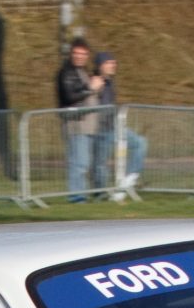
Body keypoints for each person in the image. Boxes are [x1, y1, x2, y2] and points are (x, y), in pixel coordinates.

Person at [88, 50, 146, 199]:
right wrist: (92, 90)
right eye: (109, 63)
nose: (113, 65)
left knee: (140, 143)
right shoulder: (94, 81)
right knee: (100, 165)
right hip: (99, 130)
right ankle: (100, 195)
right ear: (100, 65)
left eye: (114, 62)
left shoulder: (110, 83)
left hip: (114, 127)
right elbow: (88, 102)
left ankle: (128, 180)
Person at [56, 40, 101, 203]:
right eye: (77, 53)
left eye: (83, 54)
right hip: (76, 123)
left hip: (87, 124)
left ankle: (79, 195)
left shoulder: (82, 71)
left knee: (83, 163)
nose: (80, 57)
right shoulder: (66, 73)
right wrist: (91, 89)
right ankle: (76, 197)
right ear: (71, 54)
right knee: (79, 163)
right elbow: (69, 96)